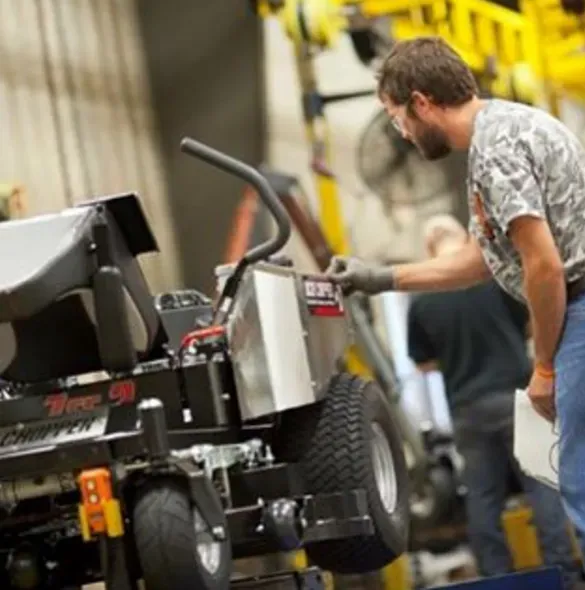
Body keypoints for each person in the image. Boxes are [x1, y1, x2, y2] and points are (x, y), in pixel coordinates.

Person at [325, 35, 585, 572]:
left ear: (422, 103)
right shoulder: (503, 132)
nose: (400, 131)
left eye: (398, 117)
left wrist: (542, 367)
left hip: (580, 310)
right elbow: (478, 260)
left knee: (579, 480)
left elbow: (544, 265)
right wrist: (378, 277)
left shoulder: (496, 150)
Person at [407, 213, 579, 581]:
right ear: (466, 240)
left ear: (429, 249)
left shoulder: (422, 303)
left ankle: (497, 578)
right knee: (542, 488)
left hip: (467, 409)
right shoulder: (496, 280)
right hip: (520, 397)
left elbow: (423, 364)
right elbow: (536, 321)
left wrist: (457, 356)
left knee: (482, 499)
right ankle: (562, 573)